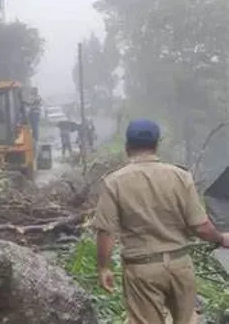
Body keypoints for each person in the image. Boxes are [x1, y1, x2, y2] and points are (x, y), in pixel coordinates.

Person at [93, 119, 229, 324]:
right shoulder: (181, 177)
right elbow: (200, 226)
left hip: (142, 270)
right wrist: (221, 238)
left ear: (127, 146)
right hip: (180, 264)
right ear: (157, 144)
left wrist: (104, 268)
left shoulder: (115, 182)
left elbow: (106, 232)